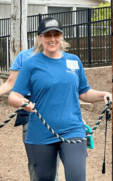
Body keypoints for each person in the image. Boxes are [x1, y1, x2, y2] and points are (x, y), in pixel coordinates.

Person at [8, 16, 112, 181]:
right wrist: (22, 103)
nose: (52, 39)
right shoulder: (30, 64)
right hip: (41, 132)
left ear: (61, 36)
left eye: (56, 34)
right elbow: (14, 95)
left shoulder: (74, 61)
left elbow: (84, 92)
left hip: (72, 130)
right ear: (40, 37)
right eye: (48, 35)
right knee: (45, 178)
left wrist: (103, 95)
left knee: (77, 176)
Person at [0, 44, 59, 181]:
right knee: (35, 161)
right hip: (28, 108)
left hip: (53, 108)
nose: (50, 37)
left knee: (53, 159)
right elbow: (10, 82)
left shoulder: (60, 56)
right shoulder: (24, 56)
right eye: (45, 34)